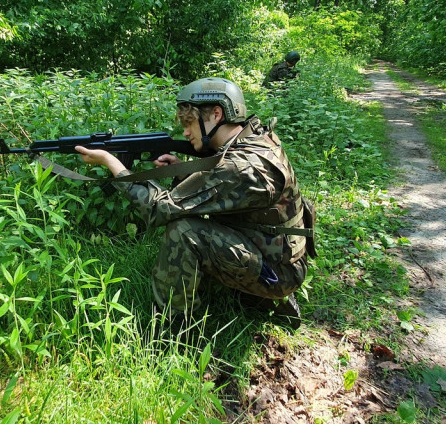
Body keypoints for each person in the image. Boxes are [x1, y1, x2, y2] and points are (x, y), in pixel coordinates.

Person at [75, 77, 314, 327]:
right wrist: (183, 172)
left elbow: (159, 209)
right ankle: (254, 297)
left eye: (189, 123)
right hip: (276, 254)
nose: (185, 132)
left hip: (279, 272)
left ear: (216, 114)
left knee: (184, 231)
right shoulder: (255, 139)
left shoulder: (241, 167)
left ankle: (174, 332)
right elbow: (232, 196)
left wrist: (111, 162)